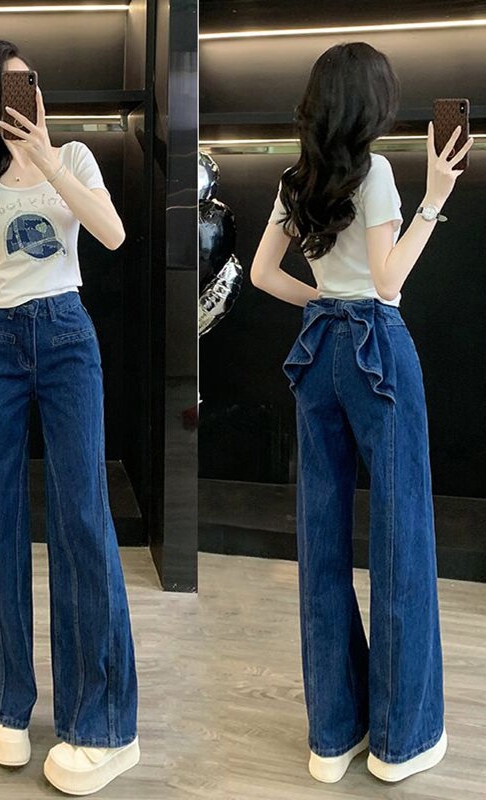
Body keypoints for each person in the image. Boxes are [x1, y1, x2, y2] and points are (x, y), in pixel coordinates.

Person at [250, 42, 473, 784]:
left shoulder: (296, 180)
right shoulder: (374, 173)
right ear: (369, 104)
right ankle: (400, 741)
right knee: (401, 535)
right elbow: (387, 283)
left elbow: (262, 274)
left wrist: (319, 300)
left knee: (321, 540)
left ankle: (332, 737)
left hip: (318, 350)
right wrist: (435, 197)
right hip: (377, 349)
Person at [0, 40, 139, 796]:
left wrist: (48, 159)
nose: (30, 90)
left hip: (65, 335)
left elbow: (113, 233)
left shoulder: (74, 156)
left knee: (83, 514)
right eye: (15, 83)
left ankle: (102, 722)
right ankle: (4, 702)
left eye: (34, 81)